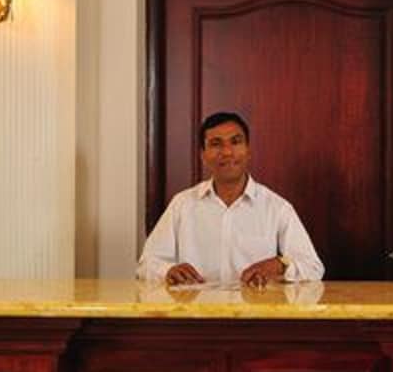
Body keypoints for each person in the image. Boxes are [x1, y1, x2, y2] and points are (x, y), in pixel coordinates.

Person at [137, 111, 324, 286]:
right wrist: (167, 271)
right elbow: (146, 264)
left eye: (235, 142)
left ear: (248, 150)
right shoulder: (182, 204)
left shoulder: (277, 208)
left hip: (255, 309)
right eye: (216, 144)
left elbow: (313, 267)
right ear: (203, 155)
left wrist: (280, 265)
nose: (227, 152)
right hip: (196, 309)